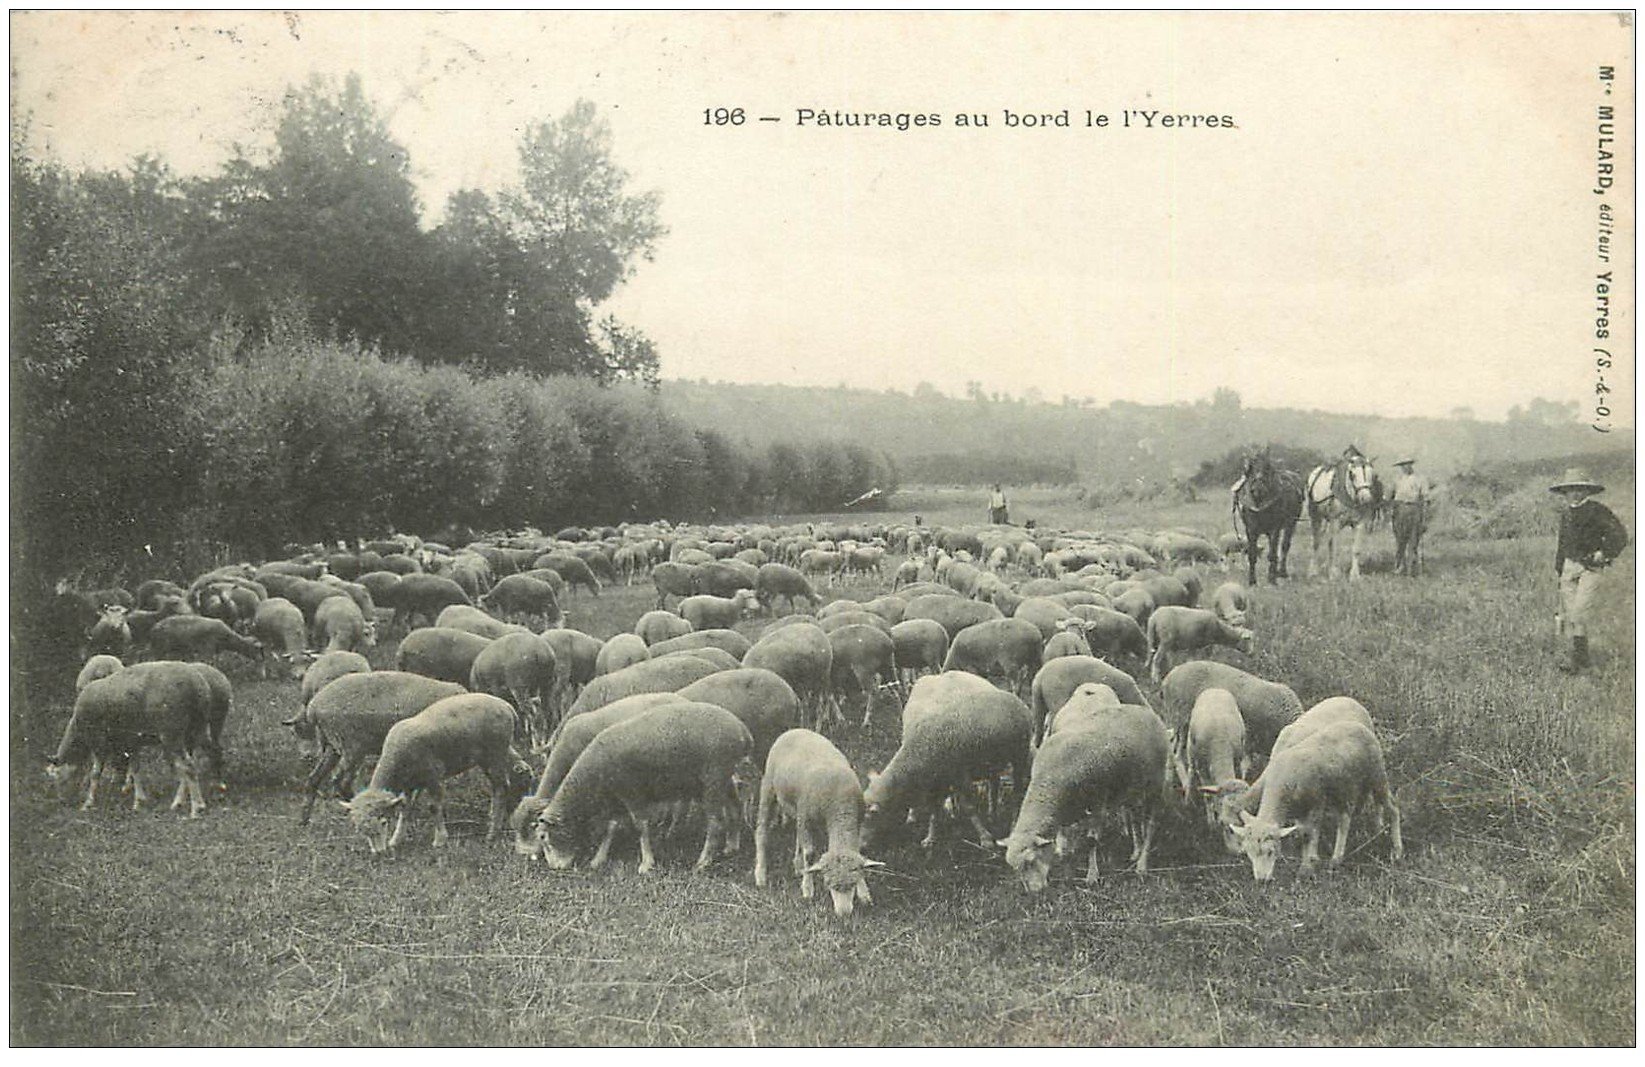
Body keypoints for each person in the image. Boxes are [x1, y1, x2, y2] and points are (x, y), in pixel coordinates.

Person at [1550, 467, 1629, 672]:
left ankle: (1581, 662)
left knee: (1579, 613)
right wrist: (1559, 570)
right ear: (1564, 492)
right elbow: (1562, 544)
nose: (1574, 494)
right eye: (1570, 490)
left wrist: (1604, 552)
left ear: (1587, 491)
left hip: (1590, 568)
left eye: (1579, 489)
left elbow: (1620, 535)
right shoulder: (1565, 514)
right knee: (1571, 618)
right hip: (1569, 567)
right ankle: (1579, 663)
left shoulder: (1598, 511)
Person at [1388, 458, 1430, 576]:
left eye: (1408, 464)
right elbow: (1389, 496)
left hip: (1414, 509)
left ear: (1411, 465)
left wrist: (1424, 515)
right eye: (1403, 465)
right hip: (1400, 510)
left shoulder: (1420, 479)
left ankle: (1413, 568)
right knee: (1400, 539)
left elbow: (1426, 498)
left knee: (1414, 539)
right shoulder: (1396, 479)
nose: (1405, 467)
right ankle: (1399, 565)